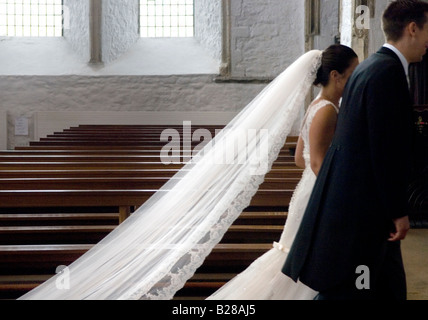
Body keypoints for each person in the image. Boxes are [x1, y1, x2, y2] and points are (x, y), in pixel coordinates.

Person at [283, 0, 428, 300]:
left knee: (372, 286)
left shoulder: (371, 67)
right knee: (354, 289)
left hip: (356, 208)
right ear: (413, 29)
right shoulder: (386, 73)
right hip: (366, 212)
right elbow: (383, 149)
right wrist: (399, 211)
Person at [207, 44, 358, 300]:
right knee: (307, 257)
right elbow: (317, 164)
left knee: (296, 254)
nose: (356, 79)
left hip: (308, 188)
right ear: (336, 75)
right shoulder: (329, 111)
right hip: (317, 194)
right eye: (353, 73)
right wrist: (345, 194)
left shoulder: (316, 105)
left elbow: (301, 158)